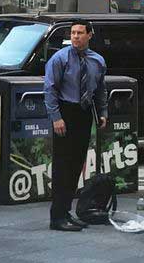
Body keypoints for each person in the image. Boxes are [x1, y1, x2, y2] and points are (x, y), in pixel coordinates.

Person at [44, 20, 108, 231]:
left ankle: (66, 211)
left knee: (75, 165)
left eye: (80, 33)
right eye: (73, 33)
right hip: (65, 111)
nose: (75, 37)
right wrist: (56, 117)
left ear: (90, 35)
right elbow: (50, 89)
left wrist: (102, 112)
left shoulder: (97, 61)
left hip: (84, 112)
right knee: (63, 165)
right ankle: (57, 216)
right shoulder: (60, 58)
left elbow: (100, 90)